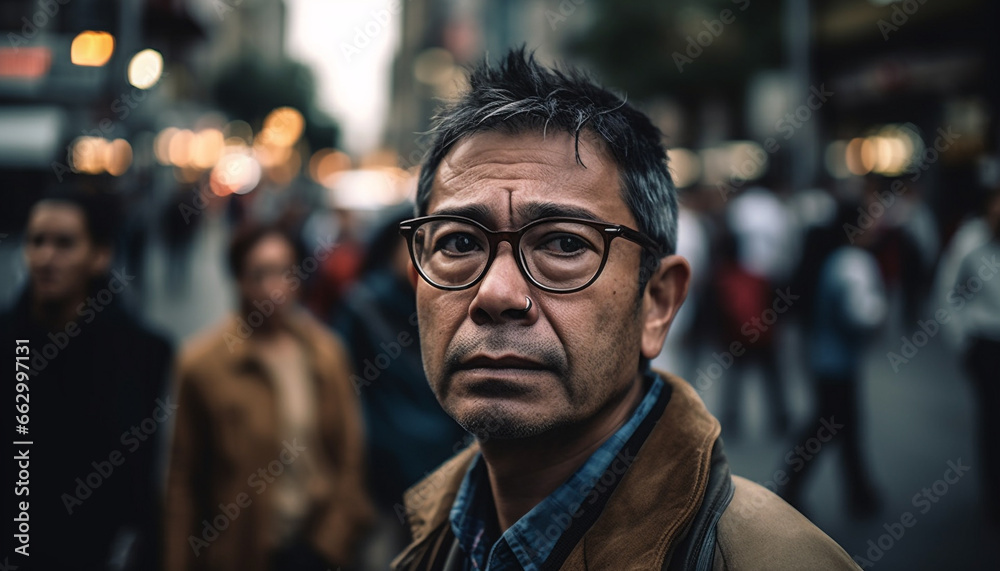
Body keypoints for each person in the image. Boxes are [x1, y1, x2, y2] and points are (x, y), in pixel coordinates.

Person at [391, 49, 859, 571]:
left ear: (657, 302)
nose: (496, 294)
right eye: (458, 244)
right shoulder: (428, 543)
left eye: (565, 244)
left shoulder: (772, 561)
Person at [164, 223, 373, 571]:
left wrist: (331, 540)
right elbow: (183, 481)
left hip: (315, 549)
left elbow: (349, 456)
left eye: (284, 272)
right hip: (240, 552)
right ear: (238, 280)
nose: (273, 288)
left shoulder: (325, 353)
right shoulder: (202, 364)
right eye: (259, 274)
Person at [1, 192, 173, 570]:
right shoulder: (10, 341)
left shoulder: (142, 352)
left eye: (64, 244)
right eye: (36, 241)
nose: (46, 257)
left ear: (100, 255)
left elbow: (143, 476)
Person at [333, 205, 468, 567]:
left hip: (443, 461)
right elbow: (344, 390)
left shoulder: (452, 304)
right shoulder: (363, 306)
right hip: (384, 466)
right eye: (412, 245)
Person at [780, 198, 886, 518]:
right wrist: (880, 313)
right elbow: (862, 314)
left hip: (822, 356)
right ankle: (794, 489)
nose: (874, 225)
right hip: (837, 360)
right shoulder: (852, 263)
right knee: (828, 426)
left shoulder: (830, 258)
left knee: (839, 425)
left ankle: (858, 492)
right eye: (868, 218)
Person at [951, 186, 1000, 525]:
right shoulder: (972, 246)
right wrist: (962, 341)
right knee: (993, 420)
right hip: (987, 343)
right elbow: (949, 294)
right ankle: (993, 497)